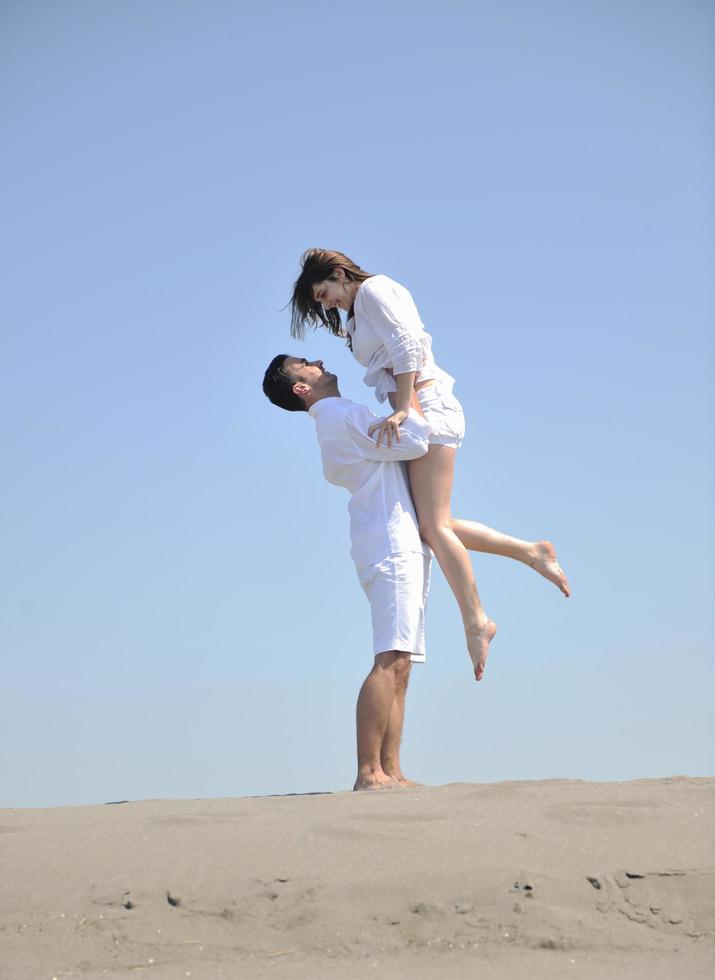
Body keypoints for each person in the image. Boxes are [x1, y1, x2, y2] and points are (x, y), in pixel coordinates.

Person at [289, 249, 571, 681]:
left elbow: (407, 344)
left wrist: (404, 408)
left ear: (340, 275)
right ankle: (531, 552)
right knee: (433, 523)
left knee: (434, 527)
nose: (327, 304)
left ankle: (477, 620)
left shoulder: (373, 291)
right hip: (417, 404)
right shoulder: (357, 311)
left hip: (427, 404)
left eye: (325, 293)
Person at [263, 354, 434, 791]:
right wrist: (410, 385)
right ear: (301, 388)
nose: (318, 361)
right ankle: (368, 772)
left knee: (402, 662)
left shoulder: (336, 418)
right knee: (391, 658)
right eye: (305, 364)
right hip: (390, 541)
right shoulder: (340, 415)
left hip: (392, 538)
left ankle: (391, 769)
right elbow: (416, 441)